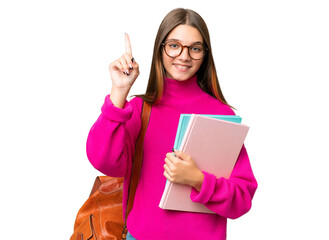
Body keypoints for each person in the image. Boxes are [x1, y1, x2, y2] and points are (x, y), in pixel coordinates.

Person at [86, 8, 257, 240]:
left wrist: (198, 179)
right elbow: (104, 161)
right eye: (174, 45)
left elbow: (242, 199)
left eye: (195, 48)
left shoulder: (220, 114)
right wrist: (119, 91)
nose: (184, 56)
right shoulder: (139, 109)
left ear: (205, 54)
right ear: (161, 48)